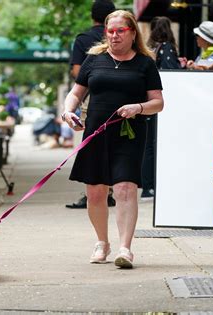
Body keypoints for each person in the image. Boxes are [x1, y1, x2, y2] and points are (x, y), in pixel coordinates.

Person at [61, 10, 164, 268]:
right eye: (110, 31)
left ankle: (125, 248)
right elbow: (76, 94)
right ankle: (101, 242)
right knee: (95, 192)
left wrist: (138, 108)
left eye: (120, 31)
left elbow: (158, 103)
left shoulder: (144, 63)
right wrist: (67, 111)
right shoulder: (94, 60)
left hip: (129, 133)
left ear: (132, 33)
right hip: (96, 132)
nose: (114, 36)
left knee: (124, 189)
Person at [65, 0, 116, 210]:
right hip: (119, 99)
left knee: (91, 146)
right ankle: (111, 189)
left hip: (92, 100)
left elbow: (77, 71)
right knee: (114, 144)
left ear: (91, 17)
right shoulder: (118, 36)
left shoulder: (84, 39)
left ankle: (96, 190)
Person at [140, 17, 180, 200]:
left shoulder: (149, 50)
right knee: (159, 144)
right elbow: (171, 74)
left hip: (147, 102)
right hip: (161, 102)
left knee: (148, 145)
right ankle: (153, 185)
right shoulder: (167, 48)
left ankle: (147, 186)